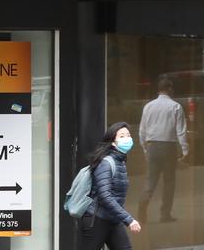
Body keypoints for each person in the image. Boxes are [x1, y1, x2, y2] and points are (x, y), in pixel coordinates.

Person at [78, 122, 142, 250]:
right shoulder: (106, 163)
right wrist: (128, 219)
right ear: (113, 142)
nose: (127, 139)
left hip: (113, 219)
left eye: (128, 135)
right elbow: (105, 196)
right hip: (97, 219)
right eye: (122, 136)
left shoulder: (120, 162)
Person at [137, 76, 188, 222]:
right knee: (169, 181)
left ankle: (142, 212)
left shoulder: (148, 106)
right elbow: (181, 131)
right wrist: (185, 150)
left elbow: (142, 129)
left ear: (159, 90)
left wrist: (144, 147)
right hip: (168, 146)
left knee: (150, 180)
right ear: (169, 89)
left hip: (152, 145)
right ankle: (165, 214)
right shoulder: (175, 106)